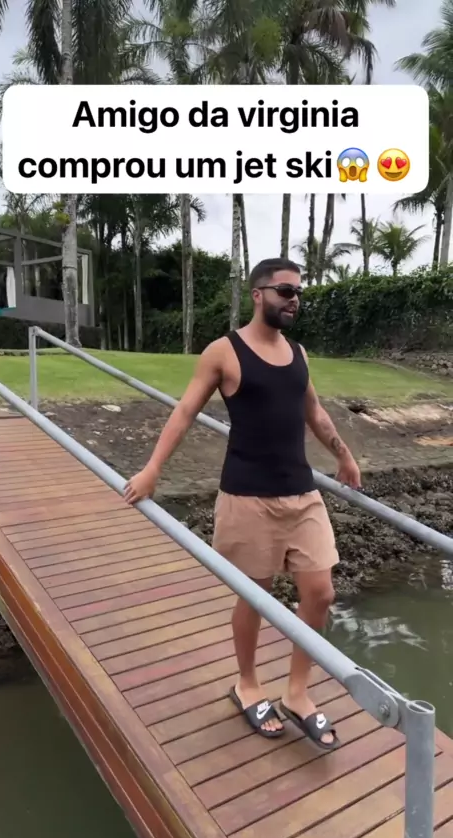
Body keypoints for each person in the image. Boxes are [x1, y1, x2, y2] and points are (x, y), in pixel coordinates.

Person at [124, 257, 361, 751]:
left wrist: (344, 456)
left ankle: (297, 691)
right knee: (255, 596)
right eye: (285, 291)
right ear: (258, 294)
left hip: (303, 494)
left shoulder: (298, 353)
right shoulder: (224, 352)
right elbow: (185, 412)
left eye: (298, 293)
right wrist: (152, 470)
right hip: (247, 497)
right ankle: (248, 684)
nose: (294, 300)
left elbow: (313, 411)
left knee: (320, 593)